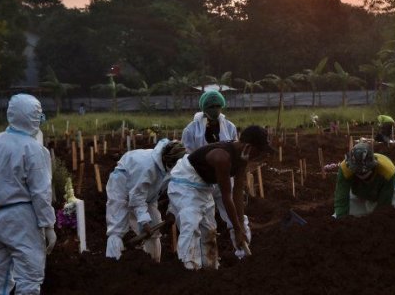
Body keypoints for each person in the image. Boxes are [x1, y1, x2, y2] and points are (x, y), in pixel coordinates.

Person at [0, 94, 56, 294]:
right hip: (21, 219)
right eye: (38, 114)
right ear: (31, 117)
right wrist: (48, 225)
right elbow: (41, 193)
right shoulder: (32, 148)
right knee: (29, 277)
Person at [168, 125, 275, 270]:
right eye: (259, 151)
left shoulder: (243, 156)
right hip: (185, 181)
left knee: (209, 229)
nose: (260, 155)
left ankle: (210, 270)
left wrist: (241, 226)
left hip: (204, 184)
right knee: (191, 221)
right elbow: (226, 196)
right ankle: (189, 269)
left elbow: (237, 192)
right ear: (249, 147)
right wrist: (237, 230)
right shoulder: (222, 157)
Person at [181, 90, 248, 246]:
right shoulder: (191, 130)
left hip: (224, 177)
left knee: (235, 217)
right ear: (204, 108)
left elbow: (235, 149)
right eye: (211, 106)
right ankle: (209, 261)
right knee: (205, 221)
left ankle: (242, 251)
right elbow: (186, 156)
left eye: (218, 106)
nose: (215, 109)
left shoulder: (229, 126)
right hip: (200, 180)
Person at [105, 139, 186, 262]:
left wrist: (171, 211)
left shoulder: (174, 166)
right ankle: (112, 262)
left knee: (154, 227)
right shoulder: (146, 166)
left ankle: (153, 263)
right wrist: (144, 221)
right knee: (117, 228)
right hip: (121, 187)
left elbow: (176, 190)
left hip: (148, 195)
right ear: (167, 159)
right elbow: (137, 197)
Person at [333, 142, 395, 218]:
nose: (360, 173)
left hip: (393, 186)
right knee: (350, 208)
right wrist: (341, 216)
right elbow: (341, 195)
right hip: (361, 189)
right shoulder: (345, 168)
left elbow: (385, 201)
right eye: (357, 171)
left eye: (363, 172)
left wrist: (378, 217)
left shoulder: (387, 171)